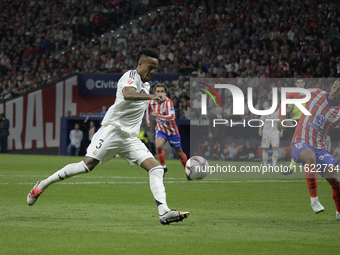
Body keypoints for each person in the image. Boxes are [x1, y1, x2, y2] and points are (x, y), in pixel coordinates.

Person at [27, 48, 189, 225]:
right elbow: (127, 94)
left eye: (155, 68)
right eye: (150, 67)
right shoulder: (130, 76)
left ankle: (163, 212)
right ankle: (42, 185)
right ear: (140, 64)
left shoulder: (146, 85)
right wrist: (151, 97)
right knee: (86, 166)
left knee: (156, 169)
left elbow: (138, 108)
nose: (152, 71)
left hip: (129, 139)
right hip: (112, 131)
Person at [278, 80, 340, 219]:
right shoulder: (315, 93)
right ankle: (314, 199)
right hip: (300, 141)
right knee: (310, 158)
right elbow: (288, 95)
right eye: (334, 86)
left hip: (320, 146)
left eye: (339, 89)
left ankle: (339, 212)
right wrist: (281, 117)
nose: (335, 90)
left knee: (334, 179)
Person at [145, 83, 190, 180]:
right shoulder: (151, 101)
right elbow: (148, 110)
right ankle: (163, 167)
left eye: (162, 91)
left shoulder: (168, 102)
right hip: (160, 129)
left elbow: (172, 117)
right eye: (158, 91)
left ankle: (187, 170)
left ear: (166, 93)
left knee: (179, 153)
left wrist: (157, 116)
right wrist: (148, 120)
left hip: (172, 131)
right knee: (158, 146)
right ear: (155, 92)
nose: (160, 93)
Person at [282, 77, 306, 174]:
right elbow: (285, 110)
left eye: (301, 82)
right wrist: (290, 109)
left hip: (307, 120)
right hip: (296, 121)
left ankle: (291, 167)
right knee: (297, 143)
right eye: (298, 83)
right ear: (295, 84)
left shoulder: (308, 94)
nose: (300, 84)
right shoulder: (292, 96)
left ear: (304, 84)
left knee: (298, 143)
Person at [259, 99, 283, 169]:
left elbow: (282, 122)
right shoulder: (267, 110)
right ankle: (265, 165)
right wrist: (260, 129)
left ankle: (274, 166)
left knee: (275, 148)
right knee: (265, 149)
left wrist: (281, 131)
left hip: (275, 132)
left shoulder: (280, 112)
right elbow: (261, 120)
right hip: (266, 132)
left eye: (278, 102)